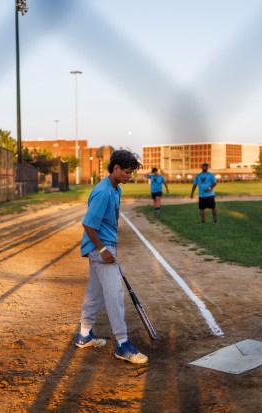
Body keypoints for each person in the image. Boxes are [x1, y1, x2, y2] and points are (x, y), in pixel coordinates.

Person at [75, 149, 148, 364]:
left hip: (106, 247)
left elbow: (112, 221)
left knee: (95, 294)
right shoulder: (103, 191)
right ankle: (123, 344)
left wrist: (111, 246)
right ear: (115, 168)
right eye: (127, 172)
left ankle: (84, 334)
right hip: (100, 249)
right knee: (115, 296)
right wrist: (103, 250)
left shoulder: (116, 189)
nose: (130, 176)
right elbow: (88, 224)